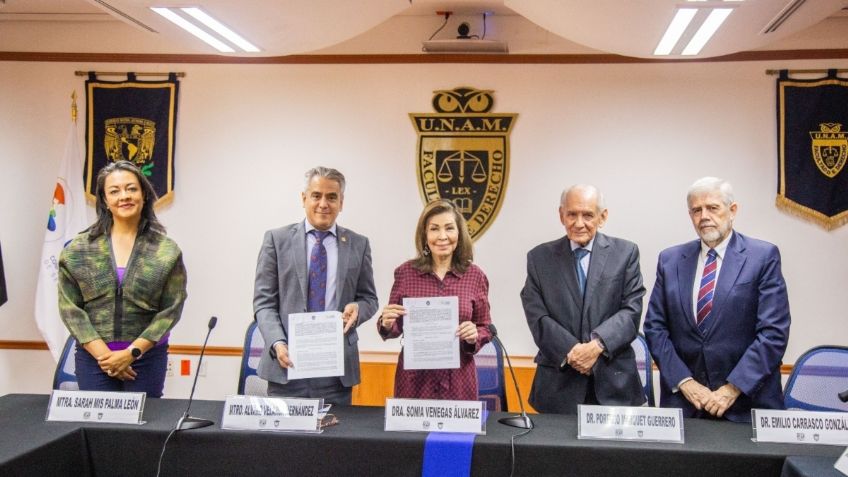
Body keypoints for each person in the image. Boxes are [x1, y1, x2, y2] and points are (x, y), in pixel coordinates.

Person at [644, 177, 790, 423]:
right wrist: (686, 382)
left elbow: (773, 333)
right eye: (696, 210)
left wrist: (731, 389)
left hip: (746, 406)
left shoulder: (762, 257)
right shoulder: (670, 260)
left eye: (713, 208)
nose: (704, 216)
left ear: (732, 211)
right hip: (687, 406)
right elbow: (655, 328)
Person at [59, 160, 186, 397]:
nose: (124, 196)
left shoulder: (166, 251)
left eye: (131, 188)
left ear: (144, 195)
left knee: (142, 430)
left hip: (146, 359)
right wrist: (105, 358)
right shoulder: (78, 250)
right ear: (105, 200)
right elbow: (70, 309)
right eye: (114, 191)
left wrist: (131, 353)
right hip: (95, 360)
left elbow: (171, 309)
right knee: (96, 431)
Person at [253, 166, 378, 405]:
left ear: (341, 202)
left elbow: (369, 299)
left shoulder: (358, 244)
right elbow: (263, 303)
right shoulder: (276, 240)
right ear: (304, 198)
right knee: (284, 442)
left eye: (332, 197)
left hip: (335, 370)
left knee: (334, 440)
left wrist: (358, 308)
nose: (323, 204)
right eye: (316, 195)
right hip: (286, 366)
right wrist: (278, 343)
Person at [521, 184, 646, 414]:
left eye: (588, 215)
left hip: (614, 387)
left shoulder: (626, 253)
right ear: (561, 215)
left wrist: (597, 346)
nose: (579, 223)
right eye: (572, 214)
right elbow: (536, 315)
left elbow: (632, 310)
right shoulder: (539, 258)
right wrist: (573, 351)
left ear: (603, 216)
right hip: (557, 388)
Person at [378, 199, 492, 400]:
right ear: (425, 235)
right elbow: (394, 326)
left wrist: (475, 334)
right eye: (434, 229)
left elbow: (485, 326)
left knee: (457, 433)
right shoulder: (405, 273)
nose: (442, 236)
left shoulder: (475, 276)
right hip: (415, 382)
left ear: (459, 234)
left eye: (449, 228)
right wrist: (386, 322)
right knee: (411, 432)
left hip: (459, 381)